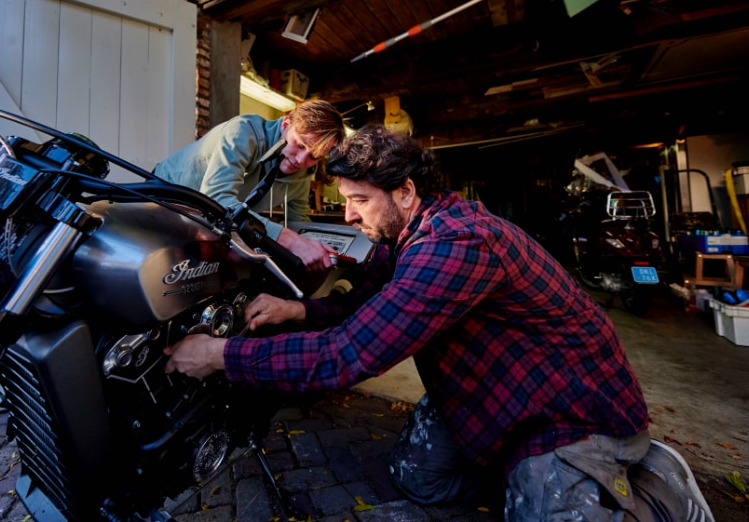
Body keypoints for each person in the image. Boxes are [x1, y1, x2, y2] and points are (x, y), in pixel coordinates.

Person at [164, 125, 715, 521]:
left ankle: (651, 487)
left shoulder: (455, 244)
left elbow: (344, 356)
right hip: (493, 389)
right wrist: (300, 309)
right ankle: (524, 470)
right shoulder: (409, 234)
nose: (349, 216)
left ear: (405, 192)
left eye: (359, 201)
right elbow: (367, 304)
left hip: (569, 413)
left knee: (541, 501)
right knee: (419, 479)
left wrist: (217, 356)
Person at [153, 100, 345, 272]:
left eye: (314, 156)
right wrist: (292, 241)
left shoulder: (303, 172)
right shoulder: (242, 133)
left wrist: (322, 247)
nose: (301, 160)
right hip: (164, 201)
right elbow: (216, 199)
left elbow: (297, 222)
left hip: (210, 224)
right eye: (300, 145)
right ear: (286, 125)